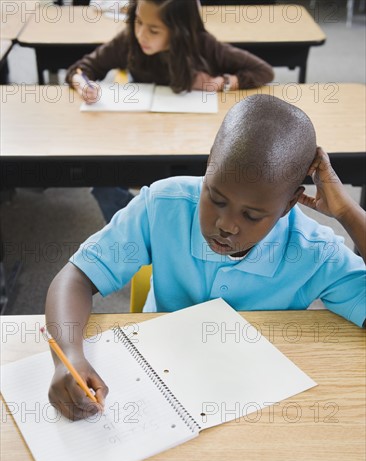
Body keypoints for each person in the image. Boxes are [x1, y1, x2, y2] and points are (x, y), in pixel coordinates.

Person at [46, 94, 366, 420]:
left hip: (252, 401)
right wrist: (68, 356)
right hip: (155, 376)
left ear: (289, 204)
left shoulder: (314, 252)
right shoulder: (163, 204)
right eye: (216, 197)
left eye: (253, 216)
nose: (226, 225)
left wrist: (349, 213)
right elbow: (77, 277)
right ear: (209, 163)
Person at [66, 0, 274, 222]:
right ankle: (135, 226)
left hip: (188, 142)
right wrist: (83, 83)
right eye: (137, 22)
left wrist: (221, 82)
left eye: (153, 30)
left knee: (189, 193)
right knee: (102, 180)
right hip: (141, 137)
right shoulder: (129, 42)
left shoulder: (202, 45)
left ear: (179, 31)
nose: (141, 34)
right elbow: (81, 69)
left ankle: (169, 225)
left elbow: (263, 71)